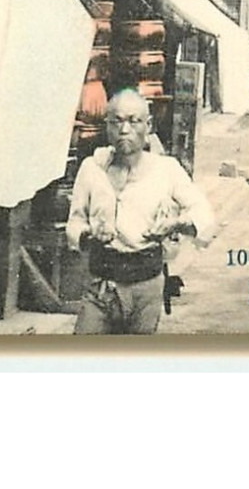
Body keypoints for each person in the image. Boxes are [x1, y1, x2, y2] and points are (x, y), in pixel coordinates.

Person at [65, 89, 217, 334]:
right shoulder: (92, 168)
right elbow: (74, 223)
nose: (124, 130)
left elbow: (206, 217)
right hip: (101, 286)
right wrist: (89, 234)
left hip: (146, 287)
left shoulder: (166, 169)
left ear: (148, 125)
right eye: (116, 121)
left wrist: (176, 223)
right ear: (107, 126)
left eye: (133, 121)